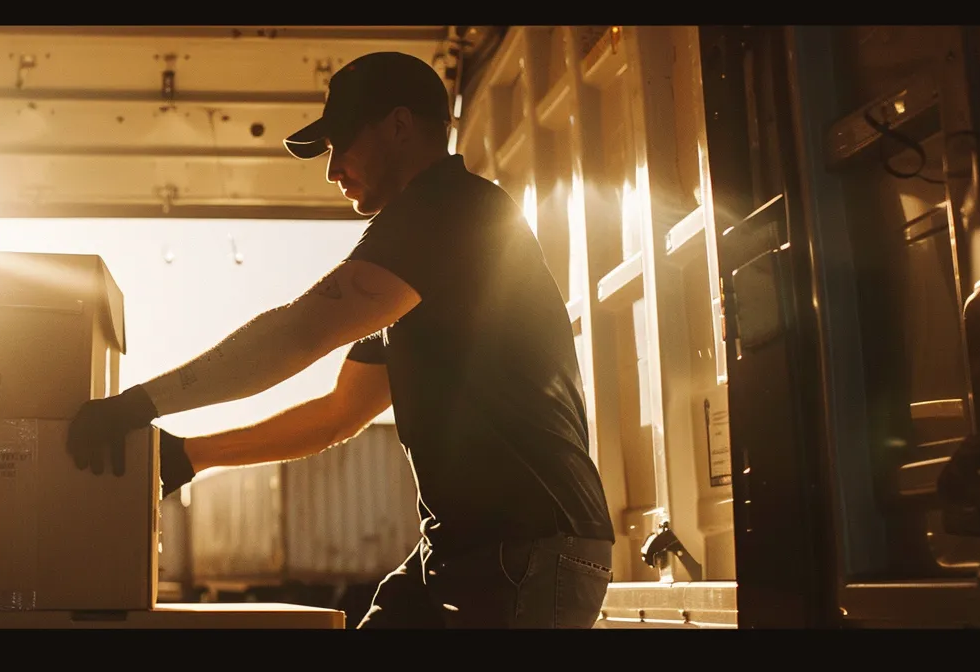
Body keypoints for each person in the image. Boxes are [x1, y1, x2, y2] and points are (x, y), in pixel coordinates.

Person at [65, 51, 614, 629]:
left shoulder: (447, 211)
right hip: (466, 550)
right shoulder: (419, 268)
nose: (331, 172)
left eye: (340, 144)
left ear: (400, 126)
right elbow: (338, 414)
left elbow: (301, 332)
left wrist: (139, 403)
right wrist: (190, 456)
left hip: (524, 552)